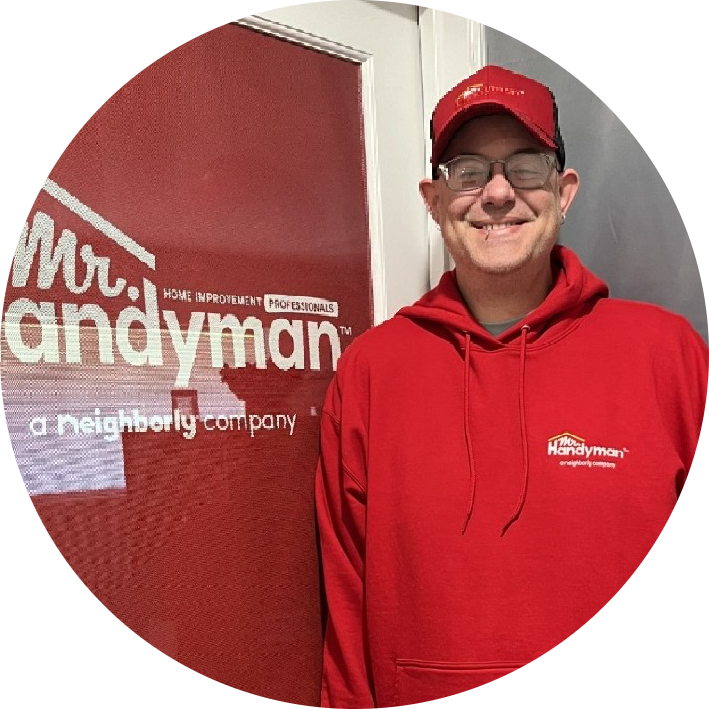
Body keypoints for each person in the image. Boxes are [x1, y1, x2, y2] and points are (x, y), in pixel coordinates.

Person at [314, 64, 708, 708]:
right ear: (434, 200)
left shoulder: (669, 355)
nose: (497, 193)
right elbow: (348, 601)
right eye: (468, 171)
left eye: (525, 166)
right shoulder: (371, 371)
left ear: (564, 191)